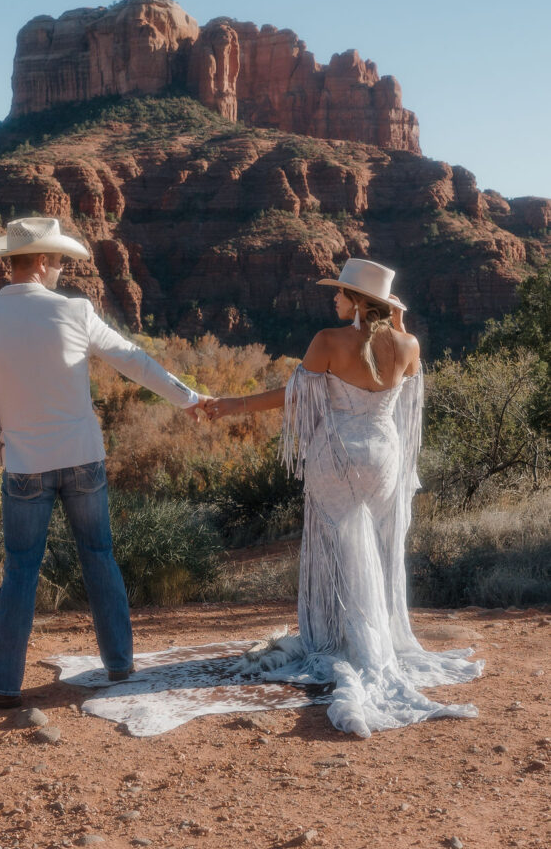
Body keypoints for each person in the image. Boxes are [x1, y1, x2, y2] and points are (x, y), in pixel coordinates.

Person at [206, 258, 483, 738]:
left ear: (357, 301)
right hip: (385, 460)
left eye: (340, 292)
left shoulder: (328, 341)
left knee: (333, 551)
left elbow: (294, 396)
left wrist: (232, 406)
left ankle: (339, 642)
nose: (333, 298)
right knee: (375, 549)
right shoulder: (409, 344)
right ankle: (373, 639)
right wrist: (399, 326)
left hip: (337, 457)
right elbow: (407, 399)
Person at [0, 217, 210, 709]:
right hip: (82, 459)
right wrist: (189, 398)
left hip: (24, 464)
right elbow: (133, 359)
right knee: (98, 556)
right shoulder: (75, 312)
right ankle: (119, 664)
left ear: (13, 263)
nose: (59, 271)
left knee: (21, 570)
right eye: (58, 263)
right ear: (44, 262)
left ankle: (2, 683)